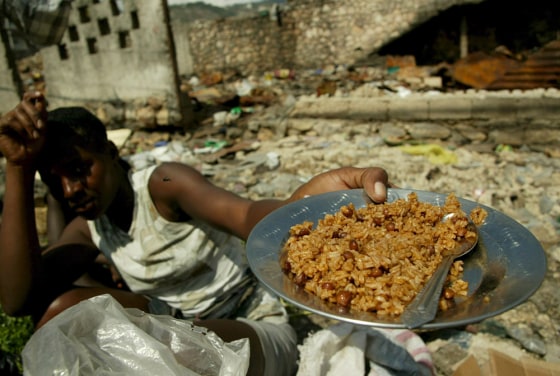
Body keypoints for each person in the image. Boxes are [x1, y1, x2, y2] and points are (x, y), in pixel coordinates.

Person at [0, 92, 390, 375]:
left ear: (109, 151)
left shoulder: (162, 185)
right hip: (180, 332)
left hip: (252, 334)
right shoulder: (89, 230)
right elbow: (19, 299)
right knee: (63, 311)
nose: (71, 190)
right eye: (56, 182)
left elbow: (246, 214)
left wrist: (301, 203)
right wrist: (18, 168)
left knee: (167, 347)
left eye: (79, 169)